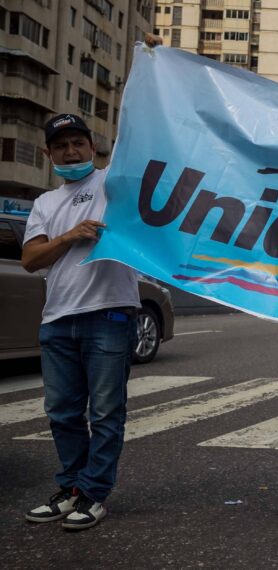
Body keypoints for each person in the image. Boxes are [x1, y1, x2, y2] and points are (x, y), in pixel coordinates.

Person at [20, 114, 141, 531]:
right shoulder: (45, 203)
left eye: (78, 143)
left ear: (93, 147)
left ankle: (94, 494)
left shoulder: (113, 183)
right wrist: (70, 236)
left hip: (109, 314)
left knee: (105, 412)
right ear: (48, 154)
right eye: (61, 146)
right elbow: (30, 259)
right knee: (62, 413)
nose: (71, 152)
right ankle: (71, 488)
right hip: (57, 319)